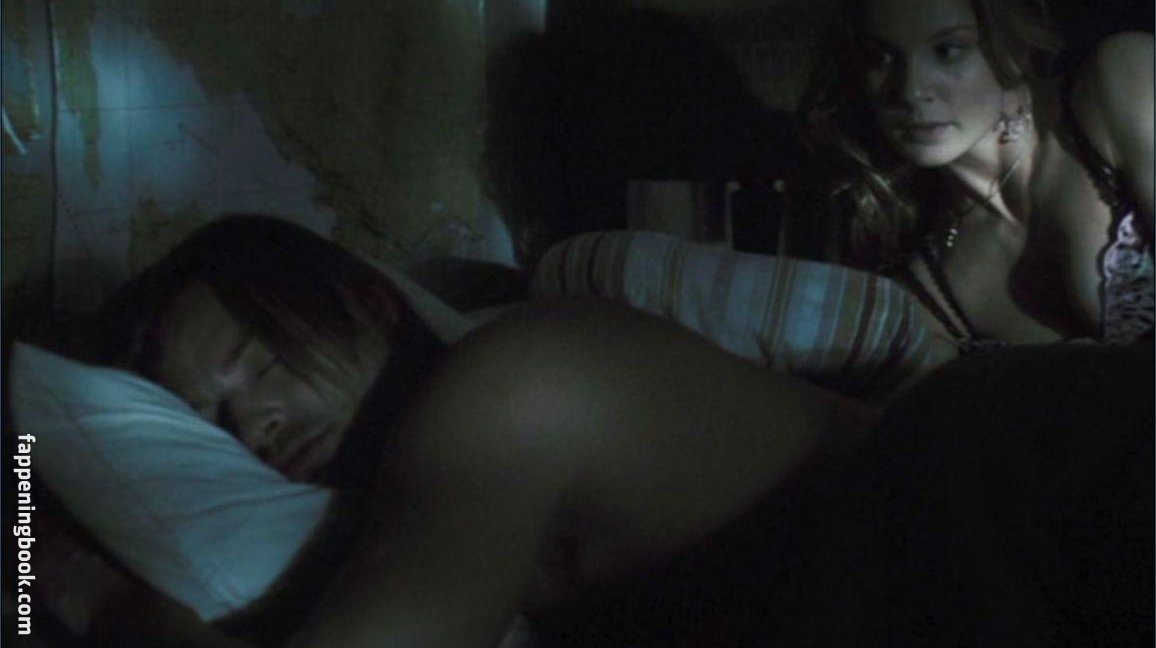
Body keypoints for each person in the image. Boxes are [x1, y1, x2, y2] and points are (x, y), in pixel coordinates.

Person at [22, 215, 878, 647]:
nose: (252, 422)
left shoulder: (512, 388)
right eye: (211, 417)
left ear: (373, 303)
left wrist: (91, 594)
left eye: (265, 361)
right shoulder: (438, 476)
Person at [795, 0, 1153, 348]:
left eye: (947, 50)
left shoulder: (1121, 81)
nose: (910, 91)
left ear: (1010, 47)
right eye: (880, 57)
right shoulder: (930, 284)